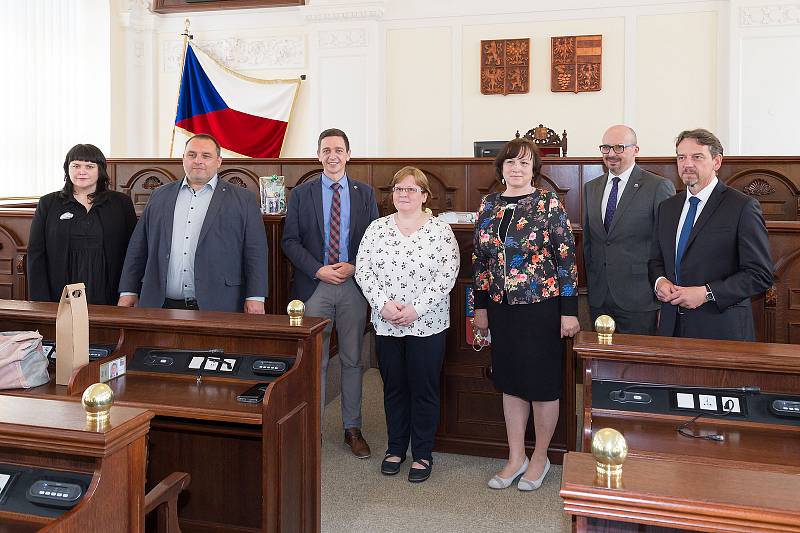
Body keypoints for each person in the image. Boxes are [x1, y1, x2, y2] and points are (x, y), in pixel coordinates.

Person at [472, 137, 579, 491]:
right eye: (510, 163)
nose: (516, 169)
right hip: (501, 309)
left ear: (534, 169)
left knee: (543, 385)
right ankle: (516, 456)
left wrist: (568, 311)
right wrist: (480, 308)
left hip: (542, 308)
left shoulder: (549, 204)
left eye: (523, 163)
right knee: (511, 381)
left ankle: (540, 457)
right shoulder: (488, 205)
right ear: (500, 168)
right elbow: (480, 261)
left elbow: (566, 261)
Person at [355, 166, 459, 483]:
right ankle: (396, 448)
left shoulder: (441, 231)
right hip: (386, 324)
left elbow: (448, 273)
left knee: (424, 389)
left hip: (427, 323)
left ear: (425, 196)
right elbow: (363, 270)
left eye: (412, 189)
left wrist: (416, 309)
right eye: (399, 189)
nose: (404, 194)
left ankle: (423, 453)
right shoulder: (377, 228)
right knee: (394, 388)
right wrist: (384, 305)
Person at [282, 128, 379, 458]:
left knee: (352, 360)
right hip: (315, 286)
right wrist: (317, 269)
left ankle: (352, 428)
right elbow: (289, 241)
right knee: (314, 363)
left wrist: (353, 265)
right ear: (318, 155)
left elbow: (374, 243)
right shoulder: (301, 194)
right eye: (326, 150)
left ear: (348, 155)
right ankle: (313, 429)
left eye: (339, 149)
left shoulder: (364, 194)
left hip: (353, 286)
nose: (332, 155)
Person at [118, 134, 267, 313]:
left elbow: (256, 252)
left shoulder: (244, 200)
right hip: (160, 304)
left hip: (220, 304)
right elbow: (138, 247)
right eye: (192, 155)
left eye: (206, 156)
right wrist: (128, 290)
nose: (198, 161)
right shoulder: (159, 195)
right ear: (183, 158)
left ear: (219, 161)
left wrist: (255, 297)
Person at [649, 129, 773, 341]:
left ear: (717, 162)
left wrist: (707, 293)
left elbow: (760, 275)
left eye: (697, 157)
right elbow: (655, 260)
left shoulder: (742, 207)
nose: (687, 164)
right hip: (671, 328)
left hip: (721, 330)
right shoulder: (667, 207)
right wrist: (660, 282)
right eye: (681, 157)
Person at [583, 125, 675, 334]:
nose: (611, 154)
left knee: (638, 365)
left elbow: (666, 244)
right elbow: (590, 242)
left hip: (640, 298)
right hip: (599, 297)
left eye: (619, 147)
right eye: (606, 148)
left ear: (635, 150)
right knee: (600, 363)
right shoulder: (591, 187)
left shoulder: (658, 186)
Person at [27, 144, 137, 305]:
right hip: (60, 293)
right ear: (67, 169)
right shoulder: (48, 203)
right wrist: (40, 301)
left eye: (89, 166)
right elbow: (36, 253)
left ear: (100, 170)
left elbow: (134, 251)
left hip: (110, 292)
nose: (82, 171)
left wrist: (129, 291)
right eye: (76, 165)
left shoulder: (121, 203)